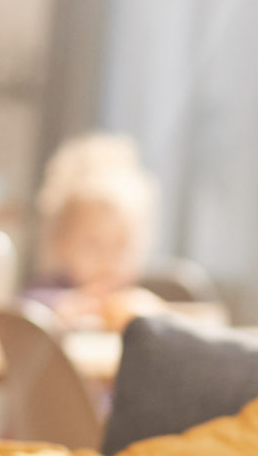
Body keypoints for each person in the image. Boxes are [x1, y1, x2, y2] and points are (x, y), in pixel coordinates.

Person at [28, 133, 169, 331]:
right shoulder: (47, 292)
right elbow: (24, 313)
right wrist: (68, 306)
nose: (108, 260)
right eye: (93, 245)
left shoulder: (133, 302)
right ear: (61, 244)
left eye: (121, 246)